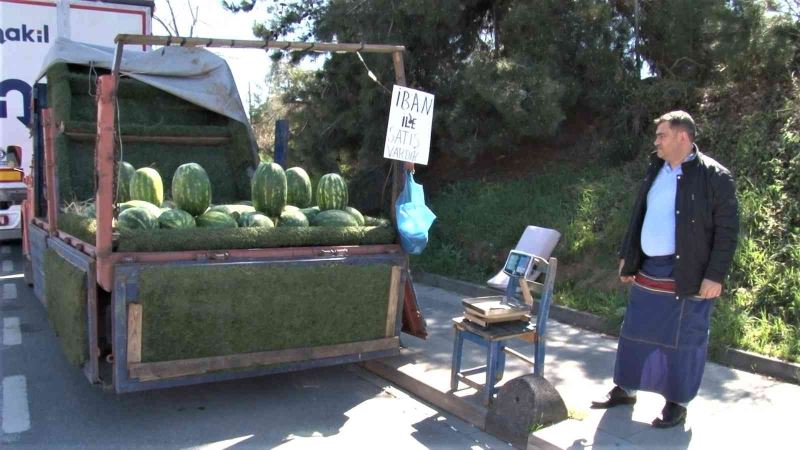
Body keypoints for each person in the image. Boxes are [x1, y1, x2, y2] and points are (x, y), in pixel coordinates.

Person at [591, 111, 739, 428]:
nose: (656, 141)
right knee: (634, 334)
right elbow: (639, 214)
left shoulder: (715, 176)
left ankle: (677, 403)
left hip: (688, 273)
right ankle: (625, 389)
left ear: (682, 137)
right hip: (649, 269)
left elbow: (727, 231)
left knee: (683, 341)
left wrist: (715, 276)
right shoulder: (656, 168)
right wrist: (628, 256)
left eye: (662, 135)